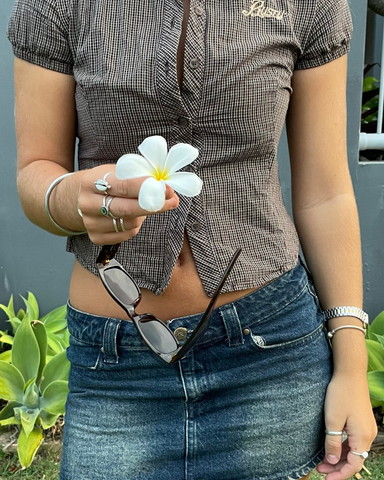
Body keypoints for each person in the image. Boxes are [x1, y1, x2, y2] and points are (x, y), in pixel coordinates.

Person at [7, 0, 378, 479]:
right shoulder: (57, 7)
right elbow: (36, 171)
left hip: (269, 351)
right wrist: (69, 201)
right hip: (116, 364)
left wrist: (351, 366)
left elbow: (326, 194)